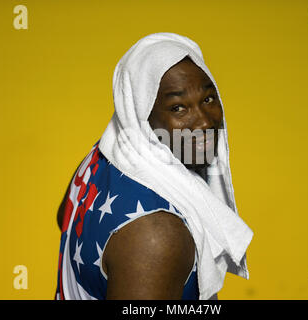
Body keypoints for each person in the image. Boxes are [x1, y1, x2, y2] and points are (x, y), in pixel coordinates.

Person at [55, 33, 253, 300]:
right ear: (141, 114)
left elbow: (64, 216)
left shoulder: (104, 154)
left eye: (208, 98)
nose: (205, 122)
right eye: (179, 108)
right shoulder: (157, 238)